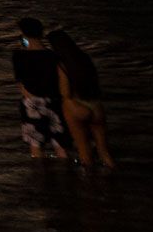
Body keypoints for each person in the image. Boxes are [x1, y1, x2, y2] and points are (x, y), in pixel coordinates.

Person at [49, 30, 116, 169]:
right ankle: (113, 179)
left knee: (84, 153)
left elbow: (65, 93)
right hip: (95, 106)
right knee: (104, 153)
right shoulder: (85, 59)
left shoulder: (62, 65)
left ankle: (87, 186)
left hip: (76, 106)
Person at [12, 18, 70, 159]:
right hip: (55, 102)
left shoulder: (18, 56)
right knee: (60, 146)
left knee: (36, 148)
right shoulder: (53, 55)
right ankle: (67, 175)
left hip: (33, 103)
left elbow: (20, 83)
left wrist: (30, 98)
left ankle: (40, 177)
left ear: (23, 34)